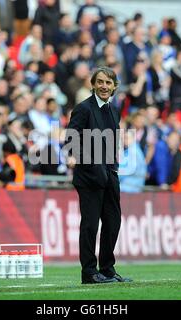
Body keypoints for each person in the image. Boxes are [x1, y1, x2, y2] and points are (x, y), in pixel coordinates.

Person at [66, 67, 132, 284]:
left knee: (113, 222)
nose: (104, 86)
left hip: (110, 174)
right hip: (89, 176)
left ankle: (107, 268)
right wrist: (94, 165)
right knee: (90, 225)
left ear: (114, 87)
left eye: (109, 83)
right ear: (93, 84)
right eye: (100, 82)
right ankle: (89, 272)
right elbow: (72, 141)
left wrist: (112, 169)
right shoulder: (83, 108)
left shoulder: (114, 111)